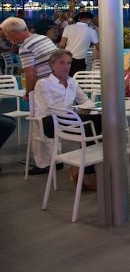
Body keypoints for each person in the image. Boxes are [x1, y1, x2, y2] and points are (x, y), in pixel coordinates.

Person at [34, 49, 100, 189]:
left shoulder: (72, 82)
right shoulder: (43, 83)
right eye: (62, 63)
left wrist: (83, 108)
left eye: (69, 63)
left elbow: (86, 101)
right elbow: (49, 109)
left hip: (70, 118)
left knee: (102, 122)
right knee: (88, 128)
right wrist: (76, 111)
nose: (66, 66)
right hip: (49, 122)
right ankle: (84, 173)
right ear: (52, 65)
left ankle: (85, 166)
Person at [0, 17, 57, 174]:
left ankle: (43, 163)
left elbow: (30, 74)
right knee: (52, 123)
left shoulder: (26, 47)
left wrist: (28, 92)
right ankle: (55, 158)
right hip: (55, 85)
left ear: (16, 33)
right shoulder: (43, 38)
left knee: (39, 125)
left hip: (42, 89)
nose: (7, 38)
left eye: (7, 35)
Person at [59, 11, 99, 76]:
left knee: (66, 78)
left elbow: (62, 44)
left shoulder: (68, 27)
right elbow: (98, 46)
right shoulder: (91, 31)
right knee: (78, 79)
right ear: (90, 20)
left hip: (66, 57)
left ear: (79, 18)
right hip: (80, 60)